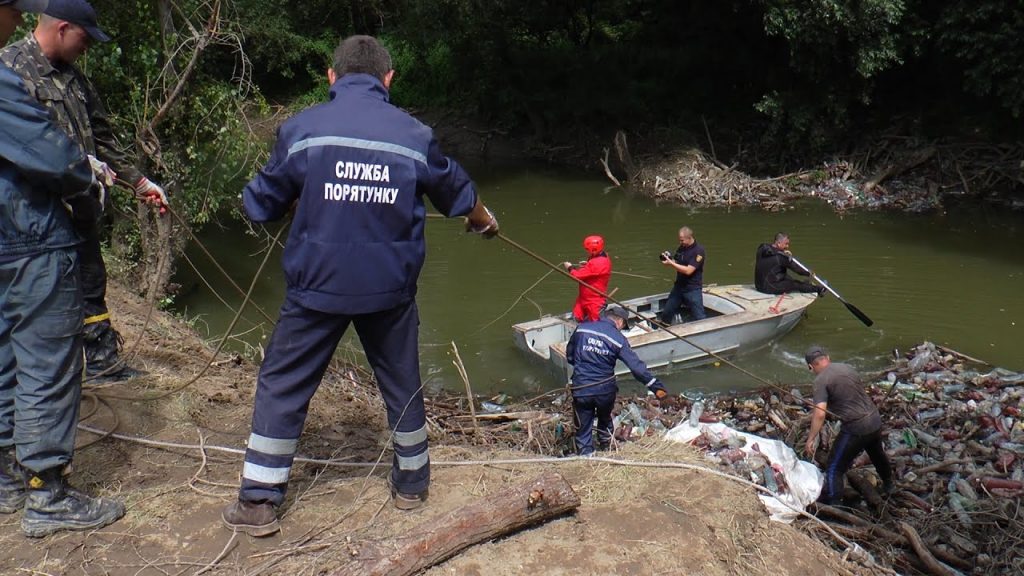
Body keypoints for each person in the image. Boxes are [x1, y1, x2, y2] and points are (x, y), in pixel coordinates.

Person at [221, 35, 499, 537]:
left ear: (332, 77)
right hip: (388, 292)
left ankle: (260, 501)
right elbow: (458, 191)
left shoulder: (302, 129)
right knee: (401, 385)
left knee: (283, 385)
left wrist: (295, 198)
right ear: (387, 80)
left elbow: (258, 205)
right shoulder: (414, 135)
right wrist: (484, 220)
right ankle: (412, 486)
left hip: (316, 290)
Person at [0, 0, 124, 537]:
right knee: (48, 363)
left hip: (7, 240)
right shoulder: (7, 74)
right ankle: (47, 494)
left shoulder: (71, 78)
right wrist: (86, 176)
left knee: (6, 356)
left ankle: (8, 478)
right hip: (30, 238)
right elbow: (51, 155)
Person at [1, 0, 169, 378]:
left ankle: (101, 361)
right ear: (62, 28)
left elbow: (104, 138)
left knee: (91, 281)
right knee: (35, 300)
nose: (88, 46)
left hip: (82, 207)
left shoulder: (77, 79)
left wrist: (141, 184)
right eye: (84, 37)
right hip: (34, 217)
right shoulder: (9, 70)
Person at [566, 307, 667, 455]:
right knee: (605, 417)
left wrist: (584, 369)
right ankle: (607, 446)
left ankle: (586, 454)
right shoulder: (618, 339)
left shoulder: (582, 329)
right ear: (620, 321)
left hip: (582, 387)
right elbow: (637, 368)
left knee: (583, 421)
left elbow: (570, 355)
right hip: (605, 390)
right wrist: (657, 388)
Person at [803, 346, 894, 504]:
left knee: (834, 468)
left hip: (856, 427)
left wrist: (811, 438)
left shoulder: (820, 380)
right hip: (874, 419)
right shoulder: (847, 367)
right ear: (828, 357)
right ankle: (889, 485)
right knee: (877, 453)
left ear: (811, 366)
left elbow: (819, 413)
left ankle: (834, 505)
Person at [657, 226, 706, 324]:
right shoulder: (682, 248)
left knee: (699, 316)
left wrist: (672, 264)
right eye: (680, 240)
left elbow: (688, 271)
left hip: (692, 288)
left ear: (689, 237)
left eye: (682, 240)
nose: (680, 242)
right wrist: (669, 260)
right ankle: (664, 329)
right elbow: (677, 262)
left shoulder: (698, 251)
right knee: (667, 312)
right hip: (679, 287)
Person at [753, 232, 824, 296]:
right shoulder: (782, 257)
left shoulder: (762, 248)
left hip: (759, 285)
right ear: (778, 243)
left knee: (787, 277)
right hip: (769, 288)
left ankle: (806, 286)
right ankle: (818, 289)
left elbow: (773, 252)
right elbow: (798, 270)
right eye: (786, 244)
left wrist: (782, 252)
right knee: (794, 284)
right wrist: (809, 273)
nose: (787, 246)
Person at [561, 235, 611, 322]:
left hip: (594, 300)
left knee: (595, 323)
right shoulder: (600, 257)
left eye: (588, 249)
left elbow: (577, 276)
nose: (587, 251)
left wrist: (570, 268)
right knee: (576, 317)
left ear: (593, 249)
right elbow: (592, 270)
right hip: (583, 298)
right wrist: (587, 264)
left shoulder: (597, 262)